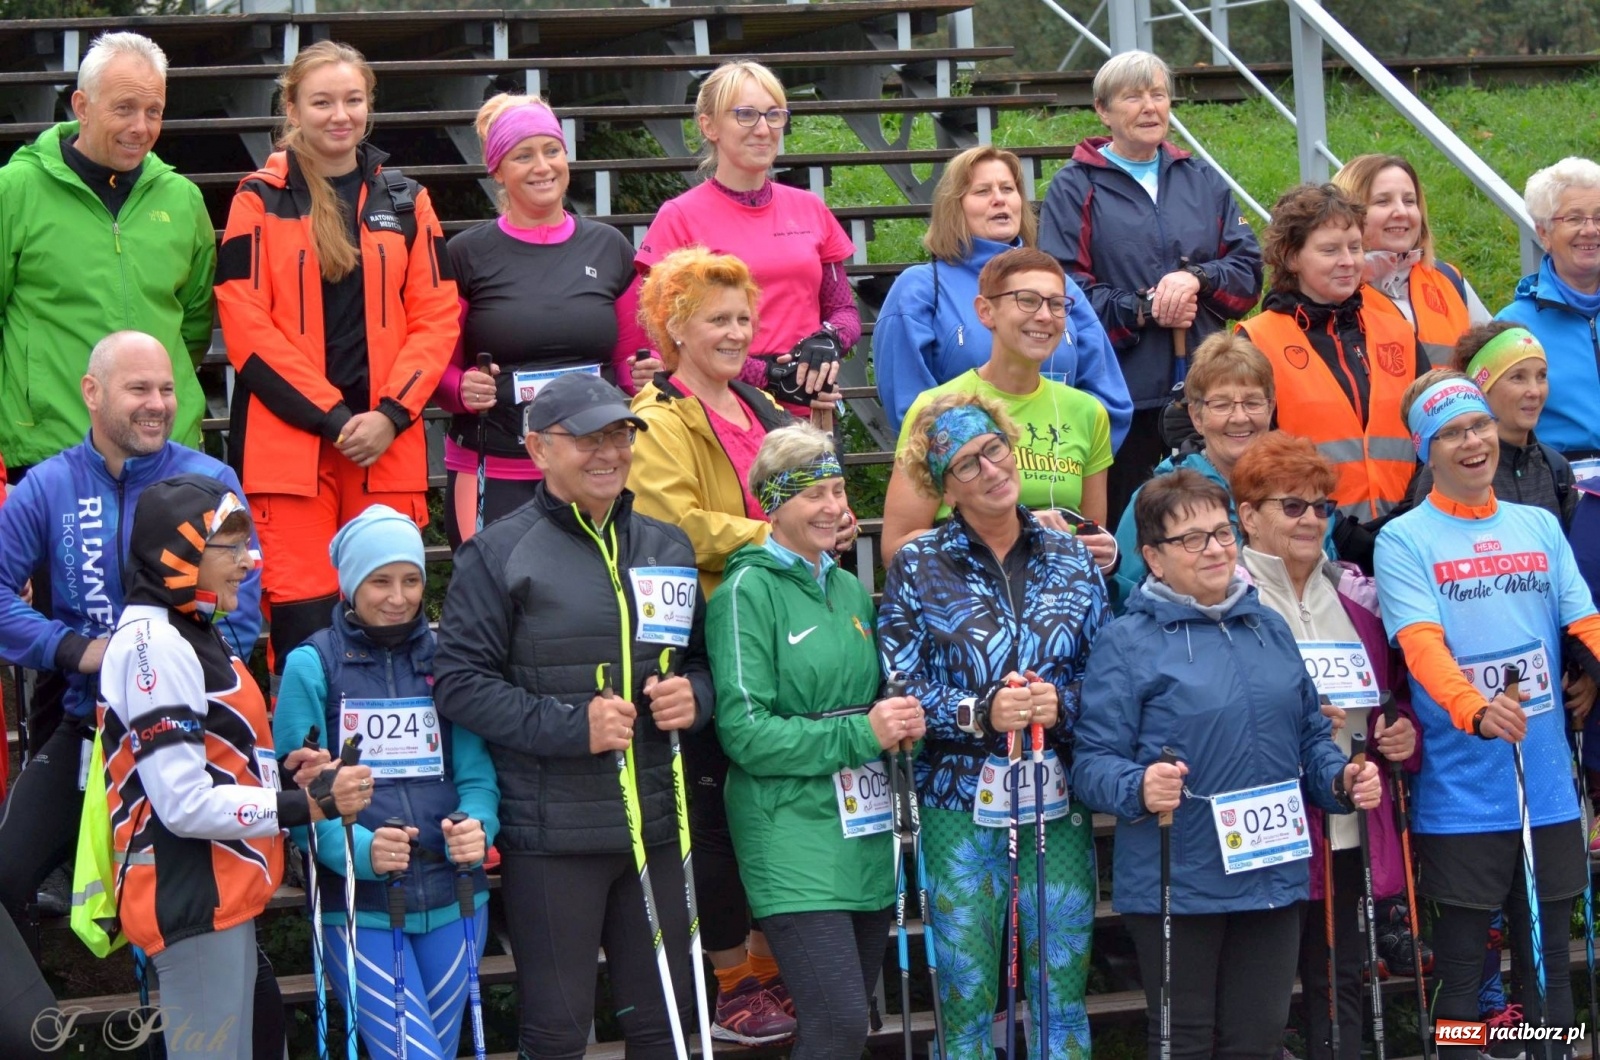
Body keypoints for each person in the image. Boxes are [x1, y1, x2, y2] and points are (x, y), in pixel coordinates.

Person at [434, 373, 715, 1057]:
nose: (608, 453)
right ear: (537, 448)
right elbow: (459, 684)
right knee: (558, 1031)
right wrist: (571, 726)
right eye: (587, 439)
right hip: (555, 837)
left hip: (657, 828)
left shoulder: (667, 545)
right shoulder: (497, 553)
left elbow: (704, 666)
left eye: (619, 435)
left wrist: (696, 701)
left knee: (667, 1028)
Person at [1073, 467, 1380, 1060]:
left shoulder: (1268, 626)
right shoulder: (1127, 640)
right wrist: (1138, 786)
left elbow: (1311, 739)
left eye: (1221, 533)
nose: (1214, 549)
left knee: (1258, 1040)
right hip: (1179, 880)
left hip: (1271, 872)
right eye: (1192, 539)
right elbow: (1091, 765)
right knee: (1185, 1043)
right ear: (1154, 559)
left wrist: (1340, 779)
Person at [0, 332, 261, 940]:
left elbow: (242, 609)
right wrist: (73, 649)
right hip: (89, 726)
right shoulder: (48, 486)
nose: (158, 403)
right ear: (91, 393)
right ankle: (35, 1030)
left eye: (167, 388)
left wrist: (179, 675)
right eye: (139, 388)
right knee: (7, 875)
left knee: (202, 905)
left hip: (192, 726)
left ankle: (222, 1022)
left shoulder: (209, 478)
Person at [100, 474, 370, 1060]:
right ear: (180, 552)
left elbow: (219, 756)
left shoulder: (193, 629)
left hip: (219, 895)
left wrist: (287, 774)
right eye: (231, 546)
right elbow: (184, 803)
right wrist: (309, 805)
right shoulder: (157, 643)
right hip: (193, 898)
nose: (251, 561)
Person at [215, 40, 458, 676]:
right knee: (303, 624)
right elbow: (244, 323)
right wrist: (331, 416)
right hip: (290, 450)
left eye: (352, 100)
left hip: (384, 446)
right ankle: (307, 770)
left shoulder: (408, 200)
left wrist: (390, 413)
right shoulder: (256, 198)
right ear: (292, 108)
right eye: (321, 101)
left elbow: (436, 316)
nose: (339, 114)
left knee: (393, 613)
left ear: (369, 107)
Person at [878, 392, 1109, 1059]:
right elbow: (898, 682)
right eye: (966, 464)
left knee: (1060, 989)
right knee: (966, 988)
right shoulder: (918, 566)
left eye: (994, 449)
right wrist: (979, 712)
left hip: (1056, 800)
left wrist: (1061, 704)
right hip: (957, 805)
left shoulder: (1071, 558)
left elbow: (1115, 678)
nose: (989, 469)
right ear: (943, 487)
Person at [1374, 369, 1600, 1053]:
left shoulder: (1536, 523)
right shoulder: (1405, 539)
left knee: (1549, 974)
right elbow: (1421, 647)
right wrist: (1472, 709)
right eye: (1451, 434)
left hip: (1549, 793)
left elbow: (1584, 620)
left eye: (1478, 426)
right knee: (1464, 976)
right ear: (1427, 450)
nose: (1472, 442)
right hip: (1463, 796)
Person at [629, 246, 815, 1041]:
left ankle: (778, 969)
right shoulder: (656, 416)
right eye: (719, 319)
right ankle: (733, 977)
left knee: (774, 808)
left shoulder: (766, 406)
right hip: (707, 636)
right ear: (675, 328)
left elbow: (812, 493)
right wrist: (775, 535)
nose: (738, 332)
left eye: (744, 317)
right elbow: (670, 524)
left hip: (778, 628)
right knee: (712, 818)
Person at [707, 423, 920, 1059]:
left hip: (864, 827)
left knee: (849, 1026)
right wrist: (864, 731)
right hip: (791, 834)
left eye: (837, 490)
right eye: (814, 495)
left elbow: (871, 703)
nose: (834, 508)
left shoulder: (850, 586)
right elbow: (745, 733)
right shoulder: (746, 590)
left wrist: (900, 722)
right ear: (772, 504)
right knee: (837, 1025)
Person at [273, 505, 499, 1059]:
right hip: (359, 909)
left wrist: (478, 826)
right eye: (380, 581)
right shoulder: (311, 666)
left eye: (411, 579)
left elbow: (477, 776)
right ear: (351, 585)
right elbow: (298, 806)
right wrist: (361, 850)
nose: (398, 596)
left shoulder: (450, 658)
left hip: (455, 900)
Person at [1230, 432, 1422, 1060]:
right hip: (1265, 829)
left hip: (1347, 826)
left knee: (1339, 984)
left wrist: (1398, 736)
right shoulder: (1227, 602)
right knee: (1254, 1001)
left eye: (1321, 506)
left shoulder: (1358, 600)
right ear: (1248, 515)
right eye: (1292, 506)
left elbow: (1395, 703)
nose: (1311, 519)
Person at [1038, 49, 1263, 521]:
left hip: (1208, 400)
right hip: (1120, 398)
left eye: (1158, 95)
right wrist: (1146, 307)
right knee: (1132, 528)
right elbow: (1064, 293)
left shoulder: (1203, 180)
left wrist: (1197, 279)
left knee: (1209, 525)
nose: (1149, 107)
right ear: (1103, 110)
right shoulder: (1075, 186)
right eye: (1133, 97)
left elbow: (1248, 277)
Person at [434, 92, 649, 546]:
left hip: (594, 466)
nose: (543, 166)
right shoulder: (465, 254)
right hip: (495, 466)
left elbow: (633, 365)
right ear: (497, 170)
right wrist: (461, 388)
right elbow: (436, 369)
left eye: (552, 151)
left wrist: (646, 374)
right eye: (523, 156)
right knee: (493, 604)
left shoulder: (610, 248)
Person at [0, 31, 214, 479]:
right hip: (50, 455)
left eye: (153, 111)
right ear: (81, 106)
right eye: (124, 108)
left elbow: (193, 325)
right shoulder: (15, 190)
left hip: (166, 456)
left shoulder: (183, 199)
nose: (141, 127)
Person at [873, 144, 1131, 443]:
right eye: (982, 191)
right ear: (953, 207)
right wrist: (984, 464)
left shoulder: (1061, 285)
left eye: (1008, 189)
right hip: (968, 479)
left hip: (1059, 473)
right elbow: (910, 408)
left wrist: (1069, 456)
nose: (999, 199)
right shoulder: (919, 289)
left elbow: (1109, 399)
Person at [636, 60, 849, 421]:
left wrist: (827, 341)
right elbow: (663, 335)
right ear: (709, 126)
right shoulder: (679, 218)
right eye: (746, 115)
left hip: (810, 411)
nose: (763, 129)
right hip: (721, 412)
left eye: (774, 115)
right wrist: (765, 375)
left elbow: (843, 311)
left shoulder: (810, 208)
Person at [881, 248, 1117, 572]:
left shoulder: (1088, 411)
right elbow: (896, 548)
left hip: (1059, 609)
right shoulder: (936, 408)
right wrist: (1016, 528)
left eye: (1056, 304)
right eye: (1028, 300)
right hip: (966, 604)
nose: (1045, 316)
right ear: (985, 311)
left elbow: (1090, 532)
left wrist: (1101, 552)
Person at [1239, 182, 1426, 564]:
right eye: (1329, 250)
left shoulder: (1397, 329)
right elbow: (1252, 460)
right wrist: (1337, 527)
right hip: (1312, 542)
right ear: (1291, 257)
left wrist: (1413, 512)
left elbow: (1432, 433)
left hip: (1409, 537)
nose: (1348, 260)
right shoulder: (1256, 339)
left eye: (1355, 247)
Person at [1109, 332, 1276, 602]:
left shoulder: (1296, 493)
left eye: (1252, 402)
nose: (1239, 417)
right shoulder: (1158, 498)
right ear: (1197, 417)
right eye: (1221, 405)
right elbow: (1125, 596)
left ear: (1270, 409)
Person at [1332, 154, 1490, 367]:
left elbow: (1498, 362)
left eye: (1409, 201)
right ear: (1348, 213)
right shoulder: (1331, 291)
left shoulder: (1450, 280)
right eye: (1383, 201)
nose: (1401, 211)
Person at [1410, 324, 1576, 526]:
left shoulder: (1555, 468)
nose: (1535, 391)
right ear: (1481, 388)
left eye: (1541, 376)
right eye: (1518, 377)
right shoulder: (1449, 465)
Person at [1497, 156, 1600, 462]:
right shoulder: (1513, 328)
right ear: (1543, 234)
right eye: (1574, 218)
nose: (1591, 230)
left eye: (1599, 217)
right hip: (1562, 488)